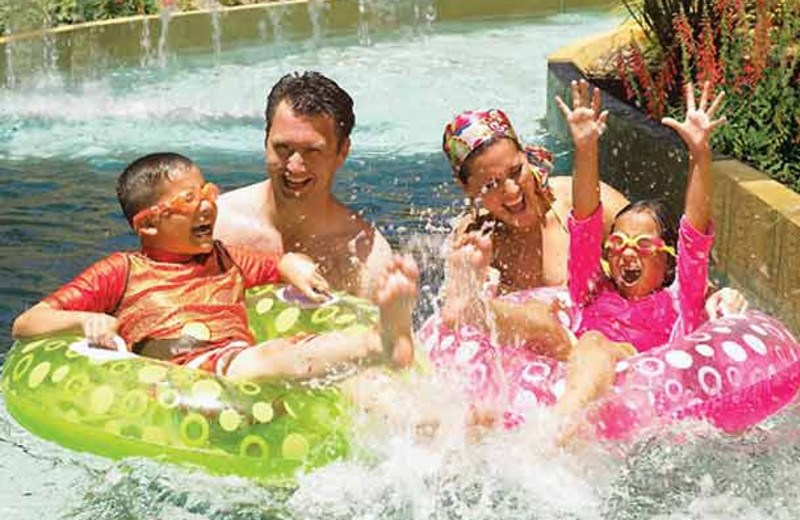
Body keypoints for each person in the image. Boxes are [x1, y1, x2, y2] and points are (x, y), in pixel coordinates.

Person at [11, 152, 418, 378]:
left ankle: (393, 360)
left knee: (285, 364)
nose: (208, 205)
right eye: (189, 200)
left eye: (208, 191)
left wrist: (293, 264)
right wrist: (85, 321)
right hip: (186, 374)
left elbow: (276, 265)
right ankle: (377, 342)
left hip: (240, 361)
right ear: (148, 224)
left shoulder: (224, 257)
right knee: (264, 361)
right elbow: (27, 322)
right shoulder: (121, 271)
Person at [495, 80, 728, 355]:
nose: (627, 252)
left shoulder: (680, 300)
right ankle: (474, 312)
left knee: (596, 344)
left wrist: (700, 152)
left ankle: (573, 397)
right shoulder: (592, 290)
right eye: (617, 242)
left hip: (628, 365)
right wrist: (585, 147)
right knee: (536, 313)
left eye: (642, 244)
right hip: (572, 357)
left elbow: (694, 238)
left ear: (667, 261)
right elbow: (585, 223)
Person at [438, 107, 630, 329]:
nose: (511, 191)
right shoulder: (474, 238)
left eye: (515, 171)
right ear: (468, 189)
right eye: (491, 184)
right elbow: (455, 320)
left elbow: (661, 260)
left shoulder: (579, 203)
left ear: (525, 156)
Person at [214, 71, 392, 301]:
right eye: (283, 148)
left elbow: (387, 336)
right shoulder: (217, 224)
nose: (295, 166)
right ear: (265, 141)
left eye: (312, 151)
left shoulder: (367, 258)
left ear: (342, 151)